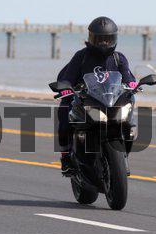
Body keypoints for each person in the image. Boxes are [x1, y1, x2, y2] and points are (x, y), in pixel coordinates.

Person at [56, 16, 137, 175]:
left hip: (110, 100)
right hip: (87, 99)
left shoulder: (118, 58)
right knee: (64, 109)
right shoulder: (81, 56)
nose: (104, 43)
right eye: (100, 39)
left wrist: (134, 85)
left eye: (107, 39)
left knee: (129, 115)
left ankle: (122, 158)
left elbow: (128, 78)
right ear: (91, 38)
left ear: (114, 39)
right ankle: (66, 156)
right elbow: (68, 78)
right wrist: (65, 88)